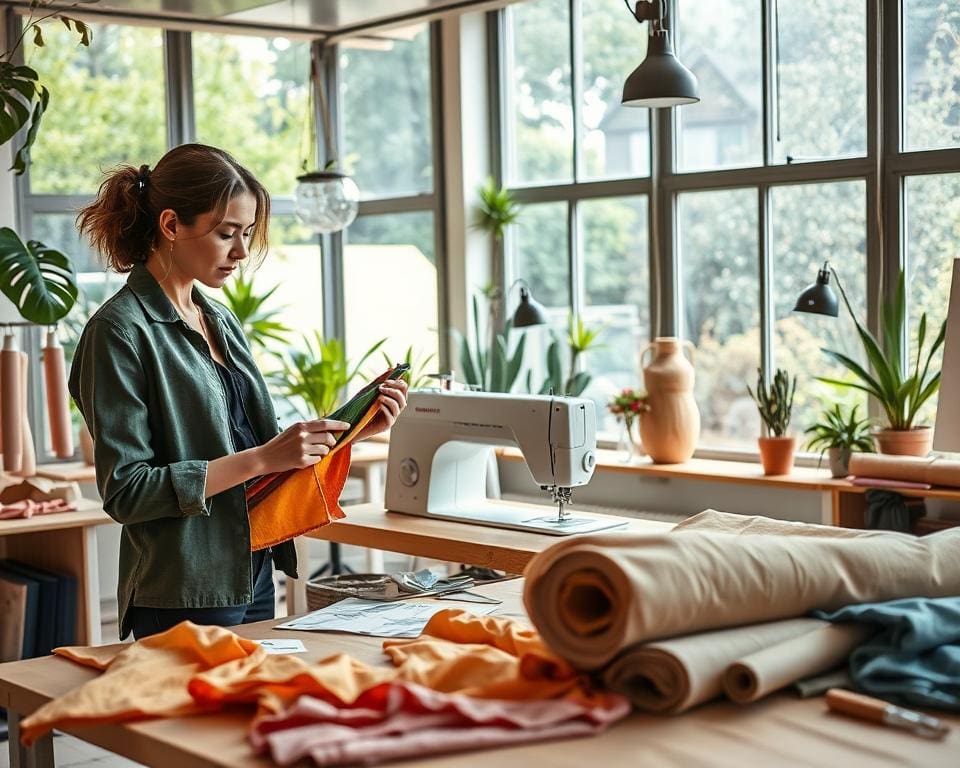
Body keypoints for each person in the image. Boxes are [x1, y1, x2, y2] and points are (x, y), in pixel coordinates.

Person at [69, 143, 408, 640]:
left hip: (252, 569)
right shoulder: (119, 332)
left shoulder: (219, 320)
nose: (242, 252)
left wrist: (355, 429)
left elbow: (265, 456)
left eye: (247, 234)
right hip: (183, 588)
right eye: (226, 233)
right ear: (170, 225)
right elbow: (127, 491)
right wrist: (262, 458)